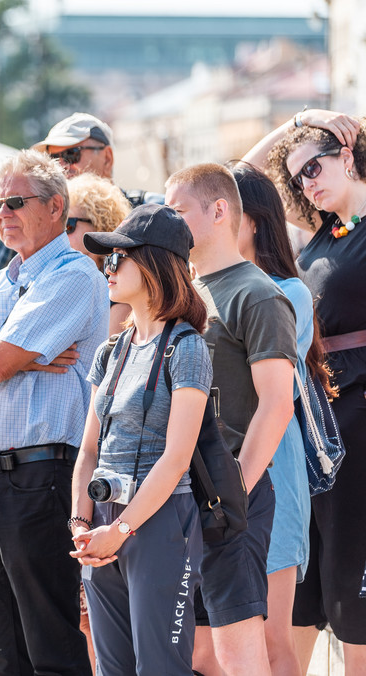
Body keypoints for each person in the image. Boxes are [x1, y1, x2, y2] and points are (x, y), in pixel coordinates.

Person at [0, 149, 107, 676]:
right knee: (4, 655)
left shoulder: (73, 276)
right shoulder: (4, 278)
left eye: (14, 201)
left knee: (52, 648)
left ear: (56, 207)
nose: (2, 213)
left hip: (40, 475)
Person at [164, 163, 298, 676]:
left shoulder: (257, 293)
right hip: (183, 492)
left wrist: (233, 490)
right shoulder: (187, 291)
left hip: (231, 496)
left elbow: (277, 404)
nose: (170, 224)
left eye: (178, 211)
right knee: (199, 654)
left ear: (219, 210)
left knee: (239, 654)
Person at [245, 108, 366, 671]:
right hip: (313, 429)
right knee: (304, 591)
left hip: (360, 427)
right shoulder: (319, 235)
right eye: (297, 177)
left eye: (314, 166)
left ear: (348, 154)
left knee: (351, 594)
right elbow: (238, 180)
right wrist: (298, 120)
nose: (306, 183)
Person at [68, 204, 212, 674]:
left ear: (153, 264)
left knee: (161, 667)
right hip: (102, 523)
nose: (107, 268)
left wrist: (120, 530)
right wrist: (80, 525)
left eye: (117, 259)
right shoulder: (112, 350)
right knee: (112, 668)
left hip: (159, 520)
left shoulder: (187, 347)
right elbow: (88, 449)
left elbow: (175, 460)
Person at [229, 162, 326, 676]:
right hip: (216, 475)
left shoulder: (287, 293)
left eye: (225, 210)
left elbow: (273, 395)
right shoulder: (205, 290)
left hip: (272, 474)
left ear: (253, 220)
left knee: (271, 642)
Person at [0, 113, 162, 279]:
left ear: (107, 158)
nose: (60, 167)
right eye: (52, 158)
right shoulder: (16, 228)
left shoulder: (153, 213)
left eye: (71, 155)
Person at [67, 173, 133, 337]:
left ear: (99, 224)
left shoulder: (120, 291)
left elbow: (107, 359)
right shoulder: (62, 280)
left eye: (68, 226)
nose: (60, 236)